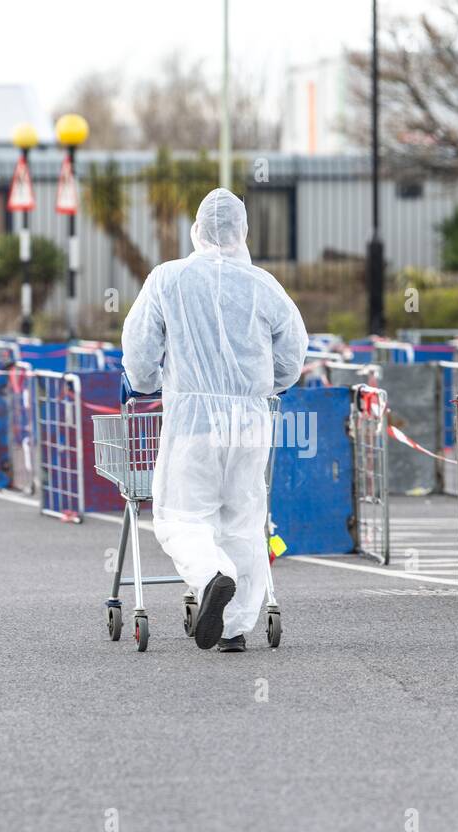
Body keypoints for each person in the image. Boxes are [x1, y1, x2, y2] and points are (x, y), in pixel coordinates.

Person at [122, 188, 308, 653]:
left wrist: (143, 382)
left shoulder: (168, 279)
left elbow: (140, 352)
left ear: (197, 231)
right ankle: (234, 628)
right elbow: (292, 355)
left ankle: (210, 576)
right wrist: (267, 385)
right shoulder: (265, 285)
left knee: (179, 516)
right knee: (243, 521)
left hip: (193, 421)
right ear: (243, 232)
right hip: (248, 422)